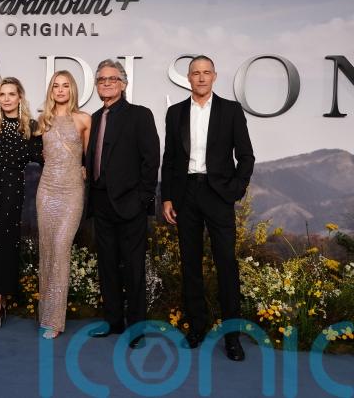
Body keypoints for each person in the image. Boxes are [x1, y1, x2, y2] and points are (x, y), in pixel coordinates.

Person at [161, 55, 254, 361]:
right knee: (190, 264)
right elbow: (170, 158)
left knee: (226, 264)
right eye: (195, 73)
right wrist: (167, 197)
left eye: (206, 73)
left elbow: (246, 156)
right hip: (186, 194)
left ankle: (232, 337)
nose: (201, 78)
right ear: (188, 78)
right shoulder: (175, 112)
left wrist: (235, 190)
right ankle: (197, 328)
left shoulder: (231, 110)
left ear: (214, 76)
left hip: (218, 195)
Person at [85, 59, 160, 349]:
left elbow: (151, 159)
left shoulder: (140, 115)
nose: (106, 83)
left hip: (130, 204)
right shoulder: (94, 118)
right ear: (96, 85)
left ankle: (136, 328)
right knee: (107, 265)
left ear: (124, 84)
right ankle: (113, 321)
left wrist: (143, 199)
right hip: (100, 202)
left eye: (112, 79)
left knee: (133, 268)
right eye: (101, 79)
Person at [0, 77, 42, 332]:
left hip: (12, 190)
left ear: (20, 97)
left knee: (4, 242)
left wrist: (77, 165)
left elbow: (43, 157)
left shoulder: (31, 127)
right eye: (2, 94)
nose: (6, 99)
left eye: (11, 94)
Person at [36, 71, 91, 339]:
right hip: (46, 190)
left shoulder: (83, 119)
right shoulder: (42, 121)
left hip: (71, 192)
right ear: (51, 91)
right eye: (56, 86)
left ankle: (55, 320)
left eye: (65, 86)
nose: (60, 90)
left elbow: (91, 157)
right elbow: (40, 154)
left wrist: (84, 169)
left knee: (60, 249)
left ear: (72, 90)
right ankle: (46, 313)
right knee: (47, 251)